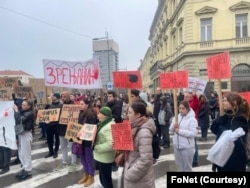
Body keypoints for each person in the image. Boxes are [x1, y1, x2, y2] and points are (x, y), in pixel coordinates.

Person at [210, 92, 249, 172]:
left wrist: (220, 125)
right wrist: (216, 122)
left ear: (234, 102)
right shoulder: (227, 116)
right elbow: (215, 131)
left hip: (234, 156)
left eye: (225, 101)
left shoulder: (239, 118)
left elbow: (231, 135)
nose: (222, 102)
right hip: (223, 154)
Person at [122, 101, 156, 188]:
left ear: (138, 115)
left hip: (139, 179)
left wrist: (130, 174)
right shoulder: (133, 127)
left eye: (130, 113)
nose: (127, 115)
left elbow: (146, 159)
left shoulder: (143, 132)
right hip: (134, 173)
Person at [169, 100, 198, 171]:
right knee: (179, 167)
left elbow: (193, 133)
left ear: (187, 109)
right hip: (177, 146)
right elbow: (170, 130)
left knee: (187, 167)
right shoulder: (176, 117)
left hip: (187, 147)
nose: (181, 110)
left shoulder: (192, 120)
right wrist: (173, 125)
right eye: (180, 108)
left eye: (183, 108)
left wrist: (179, 131)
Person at [77, 99, 98, 187]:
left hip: (88, 140)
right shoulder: (81, 113)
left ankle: (91, 176)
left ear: (87, 104)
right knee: (82, 158)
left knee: (89, 158)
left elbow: (92, 127)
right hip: (81, 139)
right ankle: (86, 174)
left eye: (82, 104)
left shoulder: (91, 114)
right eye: (80, 104)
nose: (80, 105)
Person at [93, 107, 116, 188]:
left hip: (105, 158)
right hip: (102, 157)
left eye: (99, 113)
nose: (97, 115)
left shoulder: (109, 126)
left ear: (105, 115)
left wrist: (97, 147)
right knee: (103, 178)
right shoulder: (103, 123)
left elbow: (111, 144)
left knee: (106, 180)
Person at [13, 99, 35, 180]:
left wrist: (16, 111)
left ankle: (28, 171)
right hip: (21, 133)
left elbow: (20, 120)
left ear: (29, 106)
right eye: (22, 104)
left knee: (26, 153)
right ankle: (24, 168)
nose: (22, 106)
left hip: (26, 133)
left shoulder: (30, 113)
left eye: (24, 105)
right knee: (21, 153)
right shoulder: (22, 111)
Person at [57, 91, 77, 172]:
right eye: (61, 96)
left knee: (72, 147)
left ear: (68, 96)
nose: (63, 97)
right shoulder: (61, 106)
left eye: (64, 95)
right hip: (61, 129)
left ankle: (73, 162)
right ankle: (64, 162)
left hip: (70, 129)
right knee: (63, 147)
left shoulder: (73, 106)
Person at [44, 93, 62, 158]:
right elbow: (45, 113)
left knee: (57, 139)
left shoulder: (61, 105)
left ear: (57, 97)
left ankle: (56, 151)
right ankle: (50, 151)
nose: (52, 97)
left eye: (54, 96)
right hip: (49, 124)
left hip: (57, 124)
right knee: (49, 139)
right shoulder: (49, 105)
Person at [184, 91, 199, 167]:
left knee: (194, 144)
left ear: (191, 97)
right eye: (185, 97)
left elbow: (196, 103)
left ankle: (195, 160)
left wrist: (195, 95)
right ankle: (190, 160)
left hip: (192, 126)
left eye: (187, 97)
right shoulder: (185, 105)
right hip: (186, 126)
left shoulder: (193, 103)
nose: (186, 98)